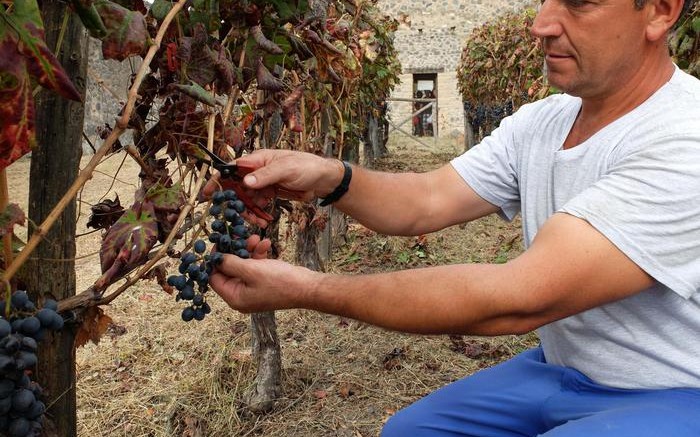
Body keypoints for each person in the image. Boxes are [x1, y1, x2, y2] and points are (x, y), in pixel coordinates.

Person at [207, 0, 700, 435]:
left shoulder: (684, 140)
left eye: (578, 2)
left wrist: (307, 290)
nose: (542, 23)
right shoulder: (542, 122)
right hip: (562, 369)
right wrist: (328, 176)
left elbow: (518, 300)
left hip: (675, 392)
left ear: (659, 11)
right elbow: (425, 199)